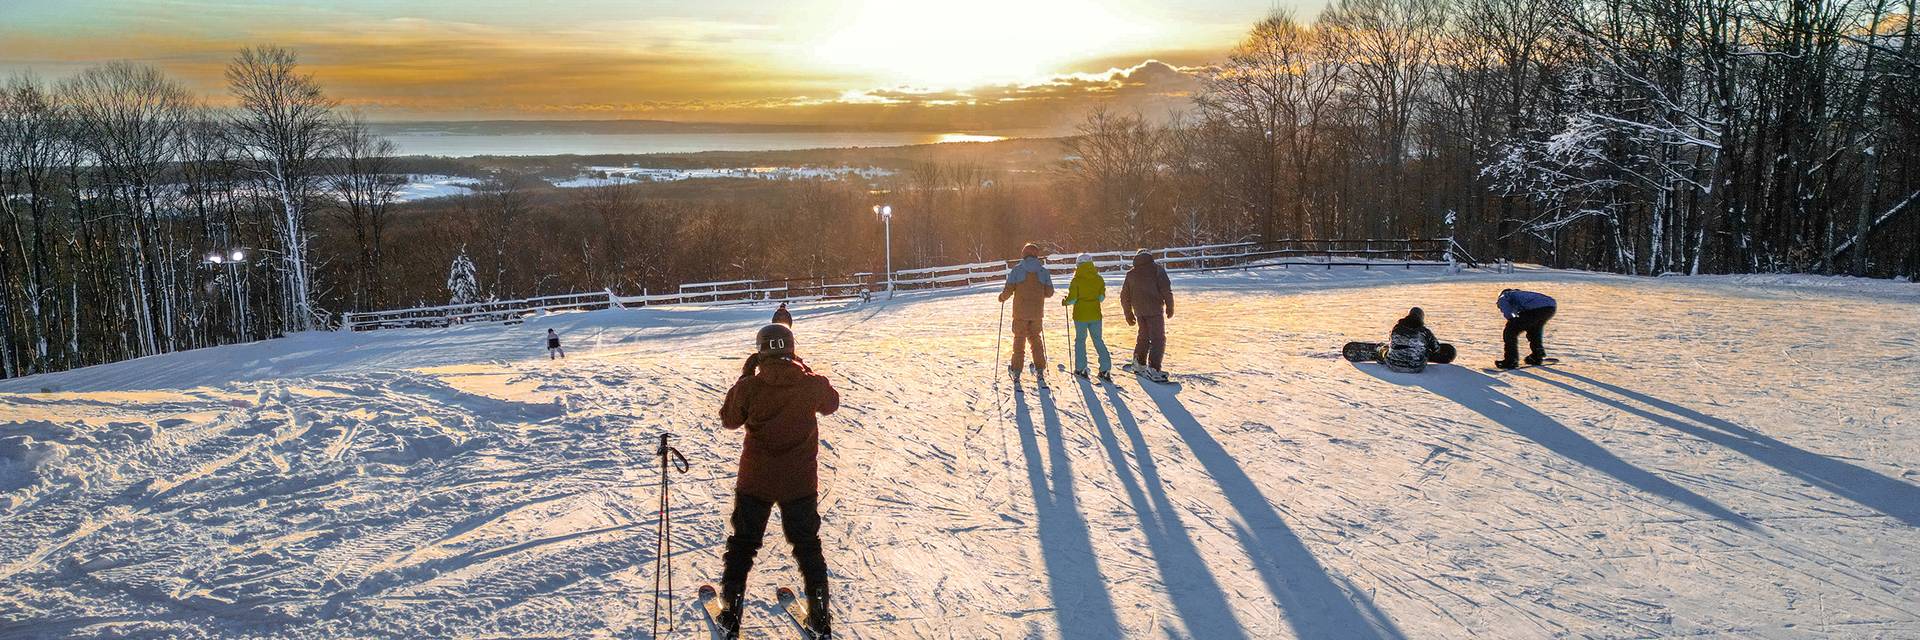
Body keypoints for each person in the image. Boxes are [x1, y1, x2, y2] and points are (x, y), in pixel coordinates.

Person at [716, 323, 840, 638]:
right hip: (799, 483)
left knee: (743, 546)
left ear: (760, 354)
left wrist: (744, 378)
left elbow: (729, 419)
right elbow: (832, 403)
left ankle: (731, 615)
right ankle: (821, 617)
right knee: (808, 546)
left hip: (756, 481)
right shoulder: (809, 384)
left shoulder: (750, 387)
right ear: (792, 350)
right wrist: (804, 370)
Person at [998, 243, 1055, 384]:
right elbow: (1049, 292)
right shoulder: (1043, 271)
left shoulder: (1017, 270)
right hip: (1036, 313)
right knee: (1036, 339)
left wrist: (1002, 297)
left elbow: (1009, 289)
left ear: (1024, 254)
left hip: (1020, 313)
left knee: (1019, 339)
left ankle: (1016, 371)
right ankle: (1040, 369)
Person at [1120, 249, 1174, 382]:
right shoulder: (1157, 270)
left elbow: (1124, 295)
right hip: (1154, 309)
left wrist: (1128, 313)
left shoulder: (1131, 274)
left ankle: (1139, 363)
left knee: (1143, 336)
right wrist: (1170, 306)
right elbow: (1166, 289)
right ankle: (1154, 369)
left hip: (1139, 310)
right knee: (1158, 339)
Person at [1060, 253, 1113, 381]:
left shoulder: (1076, 280)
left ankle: (1081, 368)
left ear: (1078, 264)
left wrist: (1065, 301)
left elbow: (1072, 299)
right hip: (1095, 314)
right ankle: (1105, 369)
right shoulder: (1098, 279)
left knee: (1080, 341)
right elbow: (1101, 298)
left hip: (1080, 315)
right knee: (1098, 340)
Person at [1495, 288, 1557, 369]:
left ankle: (1511, 360)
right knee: (1534, 330)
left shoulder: (1505, 295)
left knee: (1510, 332)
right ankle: (1537, 355)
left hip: (1536, 309)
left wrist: (1511, 321)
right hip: (1550, 307)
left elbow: (1506, 308)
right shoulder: (1521, 295)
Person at [1381, 307, 1441, 373]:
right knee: (1425, 350)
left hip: (1392, 365)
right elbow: (1436, 348)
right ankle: (1416, 354)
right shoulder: (1424, 331)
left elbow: (1391, 341)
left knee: (1385, 349)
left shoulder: (1396, 328)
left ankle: (1381, 351)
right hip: (1415, 367)